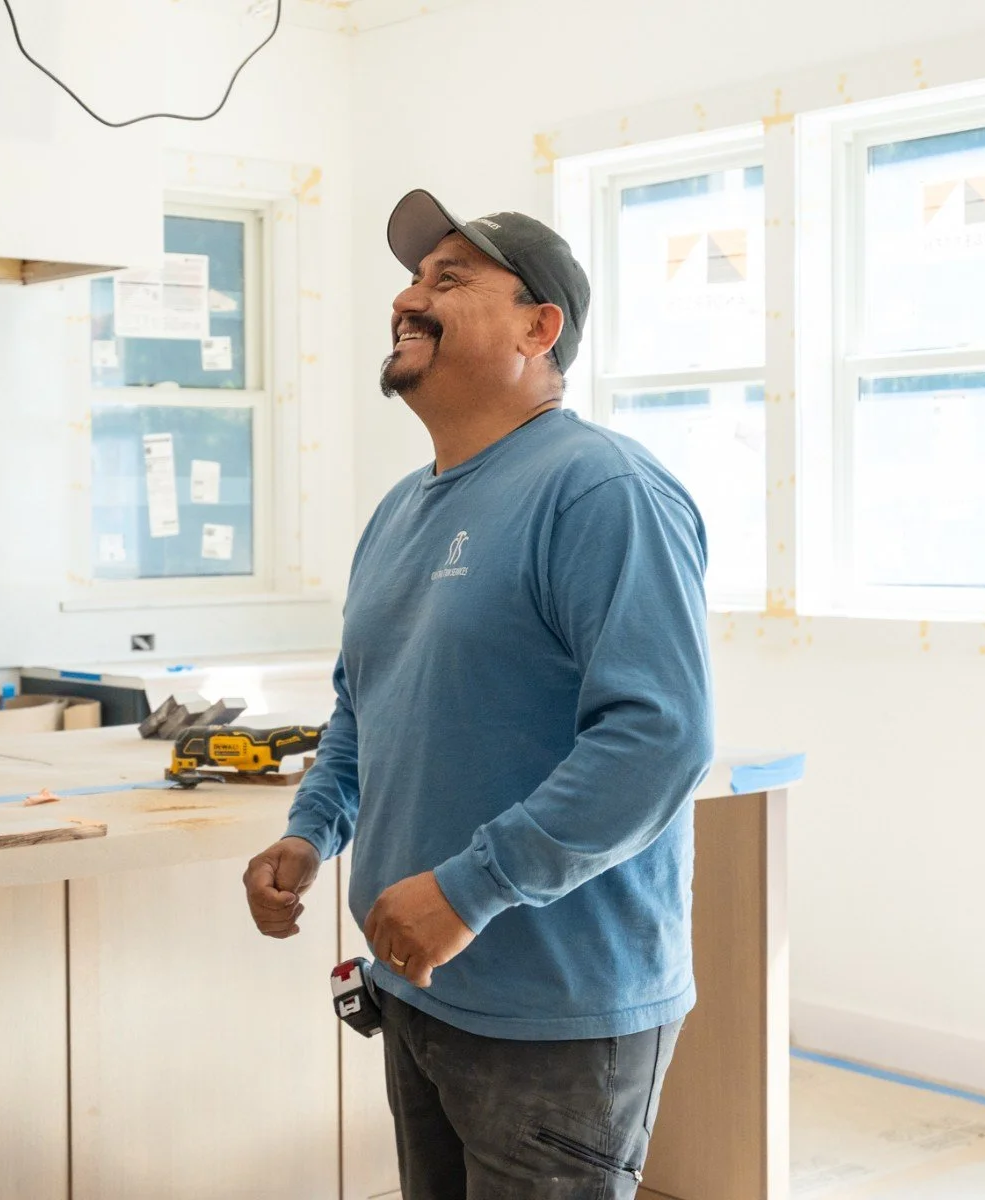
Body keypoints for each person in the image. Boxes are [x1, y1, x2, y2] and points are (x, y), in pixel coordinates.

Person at [243, 191, 715, 1200]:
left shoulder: (602, 490)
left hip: (558, 1008)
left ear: (539, 329)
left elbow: (660, 738)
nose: (410, 298)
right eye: (414, 278)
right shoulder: (399, 514)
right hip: (421, 987)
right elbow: (363, 712)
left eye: (448, 279)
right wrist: (310, 831)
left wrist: (472, 889)